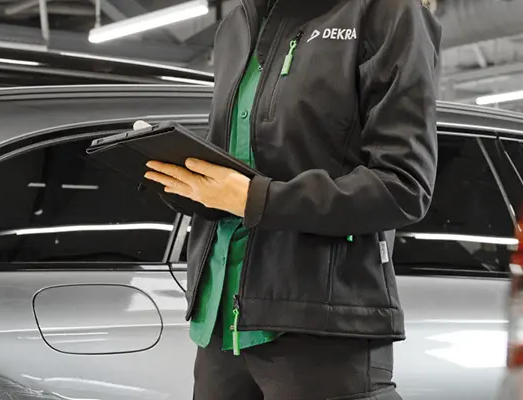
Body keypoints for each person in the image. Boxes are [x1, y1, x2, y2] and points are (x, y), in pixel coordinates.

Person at [140, 0, 441, 398]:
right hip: (220, 327)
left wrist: (255, 198)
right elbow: (241, 169)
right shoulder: (237, 24)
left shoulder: (386, 13)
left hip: (320, 324)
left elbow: (404, 185)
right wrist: (187, 183)